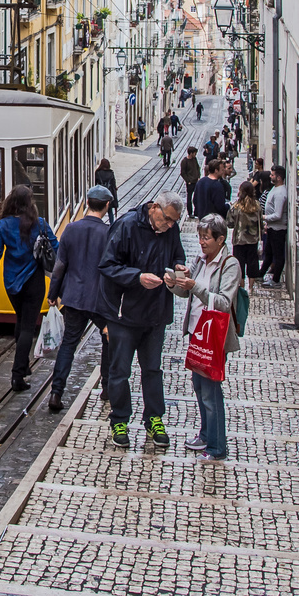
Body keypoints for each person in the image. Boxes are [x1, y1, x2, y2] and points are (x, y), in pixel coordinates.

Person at [95, 190, 186, 449]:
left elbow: (177, 255)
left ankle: (154, 419)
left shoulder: (171, 230)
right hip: (124, 314)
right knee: (120, 371)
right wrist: (137, 277)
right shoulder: (125, 226)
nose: (168, 225)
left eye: (173, 222)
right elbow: (107, 265)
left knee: (153, 370)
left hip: (156, 313)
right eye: (166, 219)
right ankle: (120, 420)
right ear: (154, 207)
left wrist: (178, 268)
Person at [170, 215, 241, 460]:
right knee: (199, 388)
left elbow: (222, 302)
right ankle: (205, 435)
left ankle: (217, 448)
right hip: (196, 333)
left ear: (221, 239)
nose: (201, 242)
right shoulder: (201, 260)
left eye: (206, 238)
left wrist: (195, 287)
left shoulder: (230, 265)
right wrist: (174, 282)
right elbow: (186, 292)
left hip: (214, 337)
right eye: (200, 237)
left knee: (211, 392)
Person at [0, 184, 59, 392]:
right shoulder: (40, 224)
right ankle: (17, 376)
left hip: (11, 282)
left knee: (20, 319)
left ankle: (23, 366)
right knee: (27, 326)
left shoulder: (3, 225)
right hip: (34, 281)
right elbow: (57, 248)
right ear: (30, 202)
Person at [46, 185, 113, 412]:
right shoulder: (108, 233)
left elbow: (59, 266)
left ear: (87, 203)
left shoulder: (70, 229)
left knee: (68, 345)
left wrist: (52, 295)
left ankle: (56, 393)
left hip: (74, 298)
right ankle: (107, 387)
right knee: (108, 341)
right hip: (99, 300)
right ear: (106, 206)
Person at [229, 179, 263, 279]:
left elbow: (229, 223)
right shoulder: (257, 205)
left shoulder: (236, 206)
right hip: (253, 239)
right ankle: (251, 289)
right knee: (252, 263)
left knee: (239, 265)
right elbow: (260, 222)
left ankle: (242, 287)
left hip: (239, 240)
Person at [262, 165, 289, 286]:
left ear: (278, 177)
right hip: (272, 227)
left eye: (272, 175)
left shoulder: (280, 193)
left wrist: (264, 217)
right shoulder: (275, 188)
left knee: (278, 255)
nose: (270, 176)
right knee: (268, 252)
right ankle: (260, 273)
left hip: (278, 229)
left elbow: (278, 214)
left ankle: (276, 279)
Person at [180, 147, 202, 217]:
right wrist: (188, 180)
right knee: (189, 198)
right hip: (190, 182)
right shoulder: (185, 161)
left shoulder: (194, 159)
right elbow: (183, 173)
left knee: (196, 197)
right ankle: (190, 213)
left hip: (196, 181)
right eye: (195, 153)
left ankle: (196, 211)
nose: (195, 155)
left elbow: (197, 168)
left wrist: (198, 176)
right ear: (191, 153)